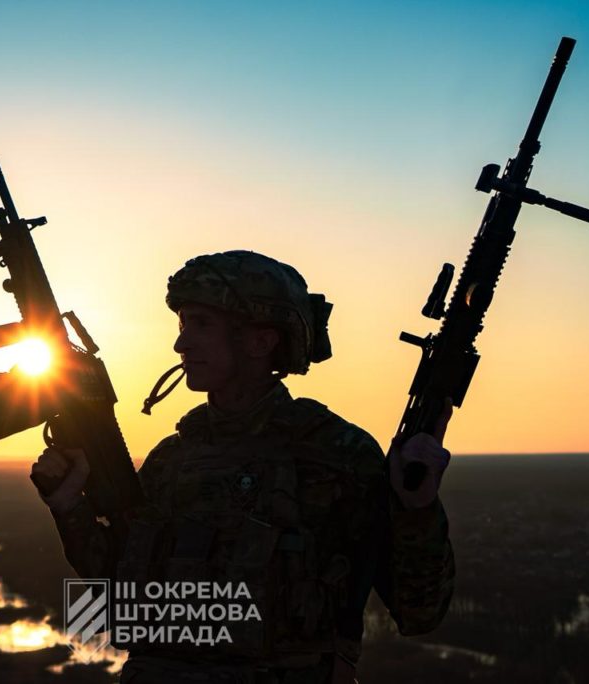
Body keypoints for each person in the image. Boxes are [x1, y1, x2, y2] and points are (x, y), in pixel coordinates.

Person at [32, 250, 454, 683]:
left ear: (260, 341)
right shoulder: (170, 460)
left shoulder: (336, 455)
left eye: (201, 324)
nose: (181, 344)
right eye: (182, 324)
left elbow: (419, 612)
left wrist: (417, 509)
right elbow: (121, 592)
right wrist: (69, 507)